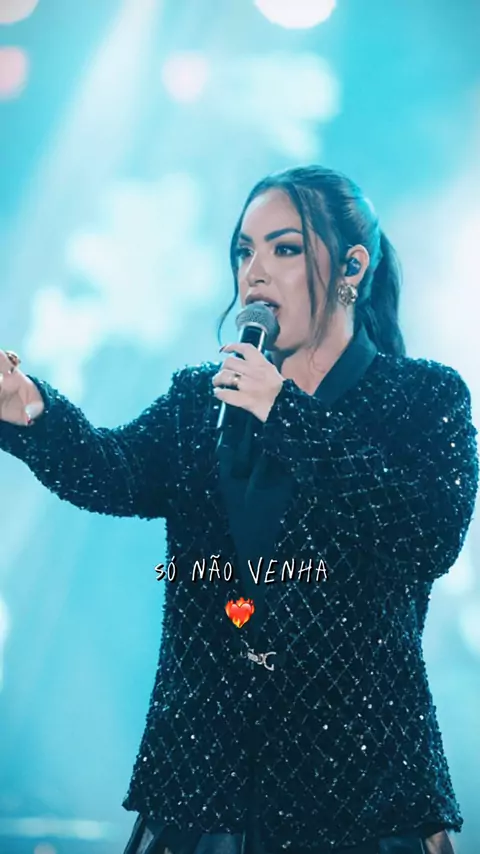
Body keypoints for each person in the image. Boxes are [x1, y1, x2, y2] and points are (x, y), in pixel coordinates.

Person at [0, 165, 477, 854]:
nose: (255, 271)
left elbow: (428, 534)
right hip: (207, 786)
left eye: (285, 248)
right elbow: (115, 473)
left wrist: (284, 411)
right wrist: (29, 409)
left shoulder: (422, 398)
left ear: (352, 265)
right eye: (244, 251)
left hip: (361, 790)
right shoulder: (203, 398)